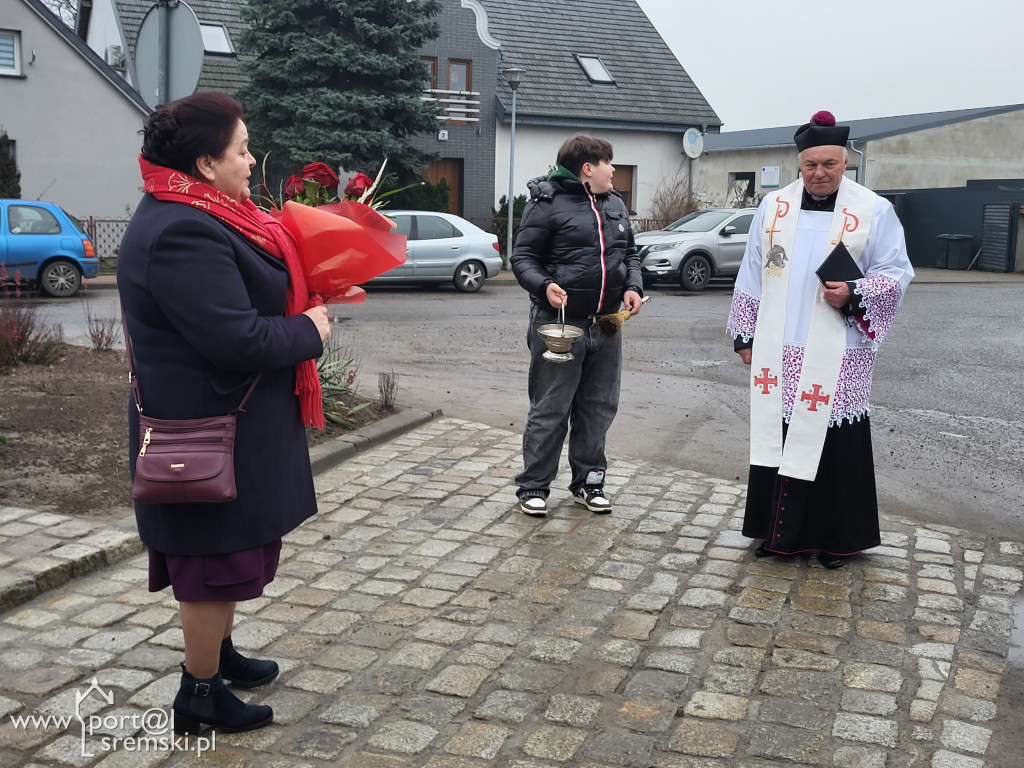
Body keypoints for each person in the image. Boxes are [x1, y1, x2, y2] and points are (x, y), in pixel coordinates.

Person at [117, 92, 331, 734]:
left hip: (229, 422)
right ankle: (198, 693)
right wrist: (311, 329)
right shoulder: (182, 229)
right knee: (212, 564)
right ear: (206, 164)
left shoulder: (210, 213)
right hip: (206, 429)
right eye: (242, 149)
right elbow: (234, 339)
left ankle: (217, 653)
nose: (251, 159)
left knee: (229, 555)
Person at [727, 110, 914, 569]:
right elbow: (752, 272)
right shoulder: (774, 207)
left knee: (834, 443)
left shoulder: (873, 210)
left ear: (845, 162)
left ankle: (836, 540)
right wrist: (743, 333)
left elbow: (896, 272)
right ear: (798, 163)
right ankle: (780, 535)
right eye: (810, 165)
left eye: (829, 163)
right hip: (777, 346)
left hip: (840, 347)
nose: (820, 173)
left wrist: (854, 293)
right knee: (779, 435)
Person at [510, 133, 644, 517]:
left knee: (597, 408)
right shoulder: (546, 203)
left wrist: (633, 286)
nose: (614, 169)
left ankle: (589, 481)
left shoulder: (615, 204)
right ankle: (533, 486)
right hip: (559, 325)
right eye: (608, 163)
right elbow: (522, 258)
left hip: (607, 324)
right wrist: (543, 285)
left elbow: (630, 254)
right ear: (588, 168)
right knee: (551, 408)